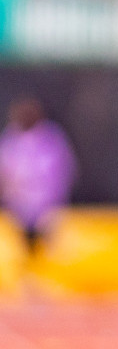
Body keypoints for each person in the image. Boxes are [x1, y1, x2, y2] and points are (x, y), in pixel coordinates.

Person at [0, 97, 76, 260]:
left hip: (45, 206)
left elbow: (62, 171)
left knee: (47, 249)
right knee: (22, 250)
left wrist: (55, 200)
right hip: (18, 207)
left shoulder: (50, 140)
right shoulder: (10, 140)